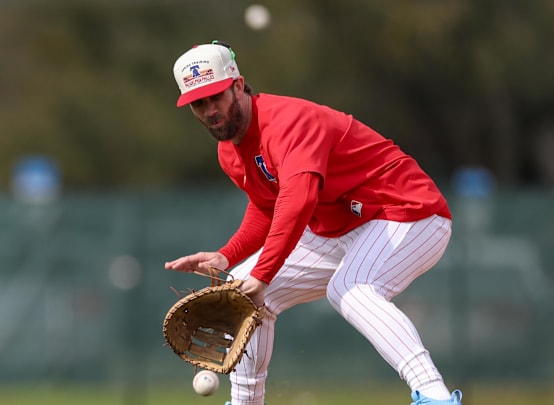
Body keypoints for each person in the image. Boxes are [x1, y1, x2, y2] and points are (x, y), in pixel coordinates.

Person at [164, 40, 463, 405]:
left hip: (407, 211)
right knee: (243, 295)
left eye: (216, 96)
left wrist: (264, 274)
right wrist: (227, 256)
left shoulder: (289, 123)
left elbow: (298, 199)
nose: (210, 110)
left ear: (238, 86)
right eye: (199, 103)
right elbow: (267, 207)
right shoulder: (230, 151)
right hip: (343, 227)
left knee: (350, 288)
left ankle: (434, 396)